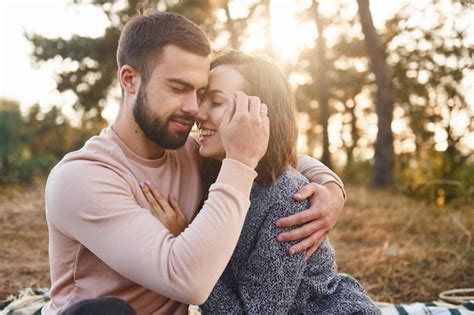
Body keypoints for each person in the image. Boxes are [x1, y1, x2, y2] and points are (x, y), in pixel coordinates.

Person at [43, 12, 346, 315]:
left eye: (201, 93)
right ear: (130, 80)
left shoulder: (193, 152)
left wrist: (331, 189)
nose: (193, 108)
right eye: (178, 88)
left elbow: (280, 158)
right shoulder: (81, 177)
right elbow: (190, 283)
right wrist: (240, 161)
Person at [141, 51, 380, 314]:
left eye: (216, 102)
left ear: (259, 117)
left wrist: (187, 244)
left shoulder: (288, 202)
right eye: (202, 99)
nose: (198, 112)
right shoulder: (214, 170)